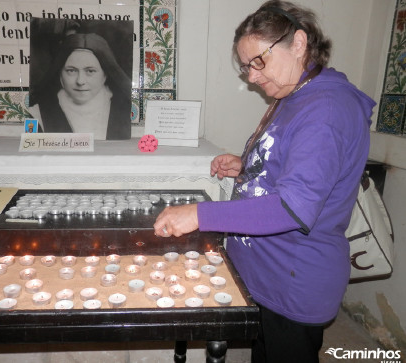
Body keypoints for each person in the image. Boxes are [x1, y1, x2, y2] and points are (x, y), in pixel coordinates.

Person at [153, 1, 375, 362]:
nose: (252, 77)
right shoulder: (298, 94)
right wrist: (248, 168)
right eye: (246, 68)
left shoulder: (327, 108)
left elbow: (292, 206)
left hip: (294, 281)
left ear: (298, 43)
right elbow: (299, 171)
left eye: (258, 61)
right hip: (268, 275)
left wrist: (199, 214)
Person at [29, 32, 132, 140]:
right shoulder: (36, 115)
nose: (80, 81)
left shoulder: (128, 112)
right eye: (71, 70)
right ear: (60, 74)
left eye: (90, 71)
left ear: (105, 75)